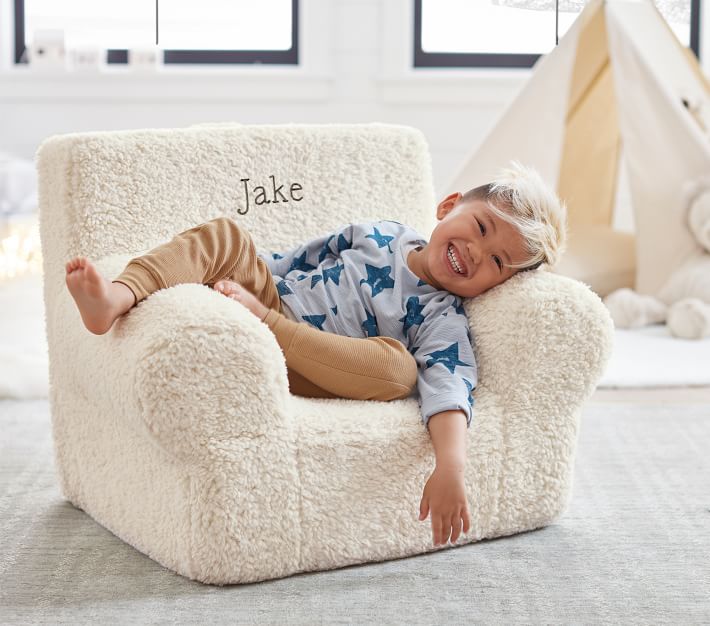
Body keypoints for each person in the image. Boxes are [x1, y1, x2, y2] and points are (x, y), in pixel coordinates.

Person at [64, 160, 567, 548]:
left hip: (310, 364)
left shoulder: (443, 317)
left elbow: (450, 389)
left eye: (497, 262)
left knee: (399, 370)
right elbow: (294, 260)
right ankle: (117, 297)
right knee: (228, 235)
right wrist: (239, 270)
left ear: (495, 285)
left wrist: (450, 466)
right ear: (448, 206)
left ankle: (267, 325)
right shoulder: (382, 233)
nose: (477, 253)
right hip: (266, 303)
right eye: (480, 228)